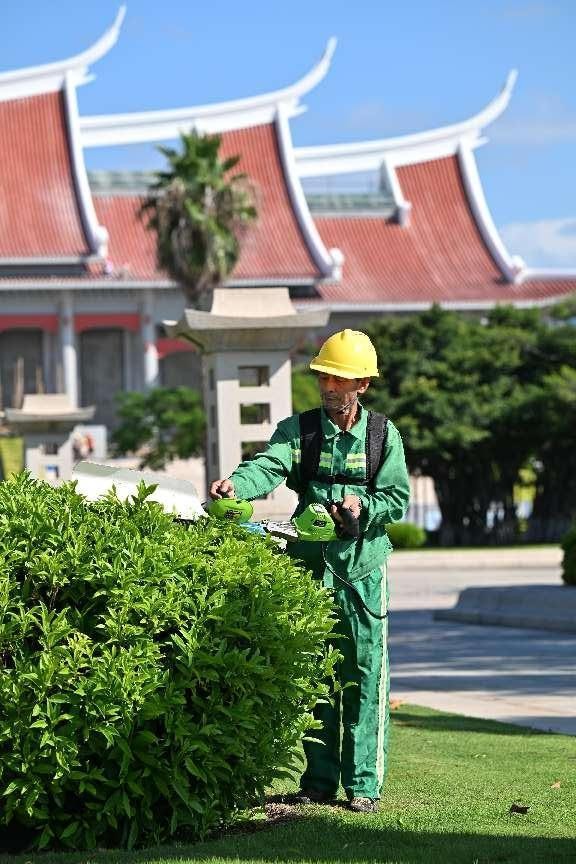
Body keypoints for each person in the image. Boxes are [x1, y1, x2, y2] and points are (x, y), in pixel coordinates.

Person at [210, 329, 410, 814]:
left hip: (363, 572)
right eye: (324, 377)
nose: (329, 386)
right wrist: (236, 485)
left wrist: (362, 509)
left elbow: (397, 498)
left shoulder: (383, 436)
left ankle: (364, 785)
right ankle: (318, 782)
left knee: (365, 675)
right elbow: (267, 466)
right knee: (314, 677)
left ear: (362, 384)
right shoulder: (298, 432)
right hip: (307, 569)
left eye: (339, 379)